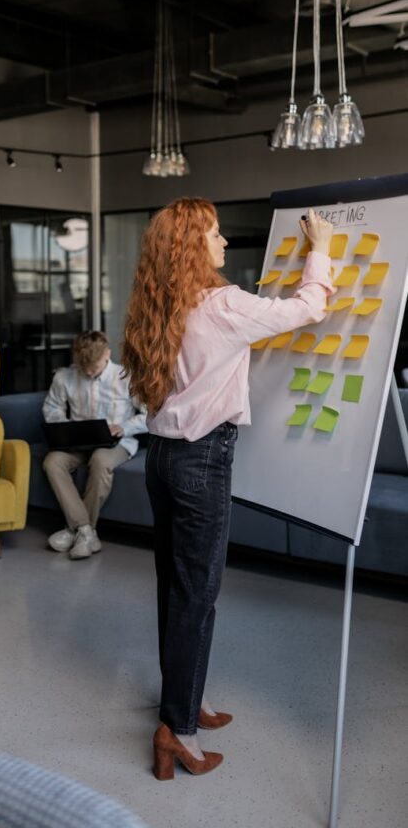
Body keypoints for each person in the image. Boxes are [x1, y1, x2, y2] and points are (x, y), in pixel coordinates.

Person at [121, 200, 333, 779]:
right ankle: (179, 734)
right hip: (200, 462)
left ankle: (187, 701)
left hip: (161, 459)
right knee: (197, 596)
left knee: (176, 589)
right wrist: (320, 249)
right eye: (214, 234)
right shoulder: (222, 306)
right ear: (193, 246)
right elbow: (310, 307)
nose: (223, 243)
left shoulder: (158, 306)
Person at [42, 330, 147, 560]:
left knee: (100, 459)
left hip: (117, 442)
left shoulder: (127, 377)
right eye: (84, 367)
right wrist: (66, 427)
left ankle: (75, 530)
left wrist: (124, 427)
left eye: (94, 367)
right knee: (52, 462)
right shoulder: (64, 377)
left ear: (108, 354)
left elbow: (150, 415)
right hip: (78, 442)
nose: (89, 373)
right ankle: (86, 531)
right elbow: (51, 409)